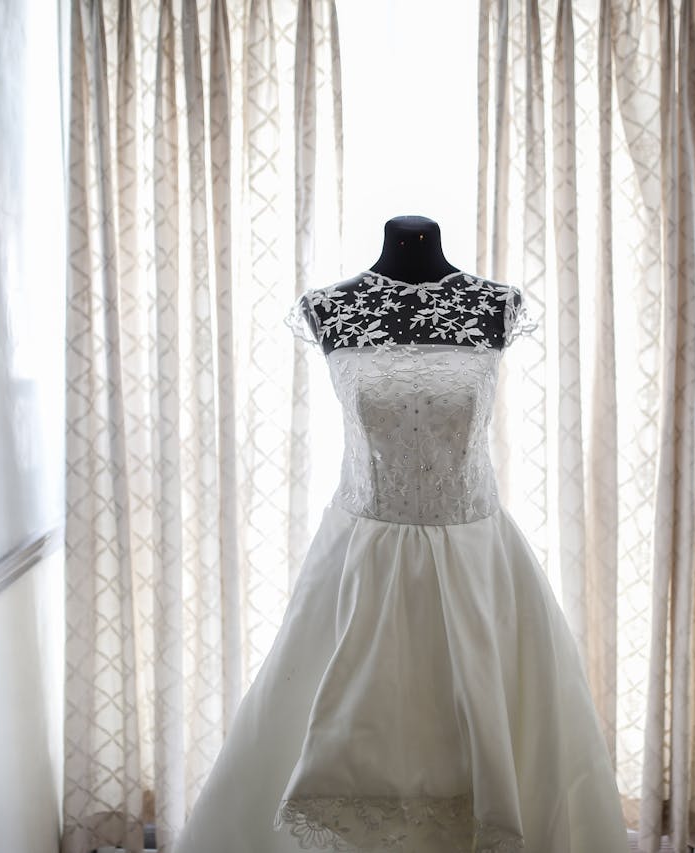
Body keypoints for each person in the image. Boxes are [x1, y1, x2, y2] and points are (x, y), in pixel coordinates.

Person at [175, 216, 628, 852]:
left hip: (476, 562)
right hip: (362, 561)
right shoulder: (330, 308)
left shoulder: (495, 305)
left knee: (488, 735)